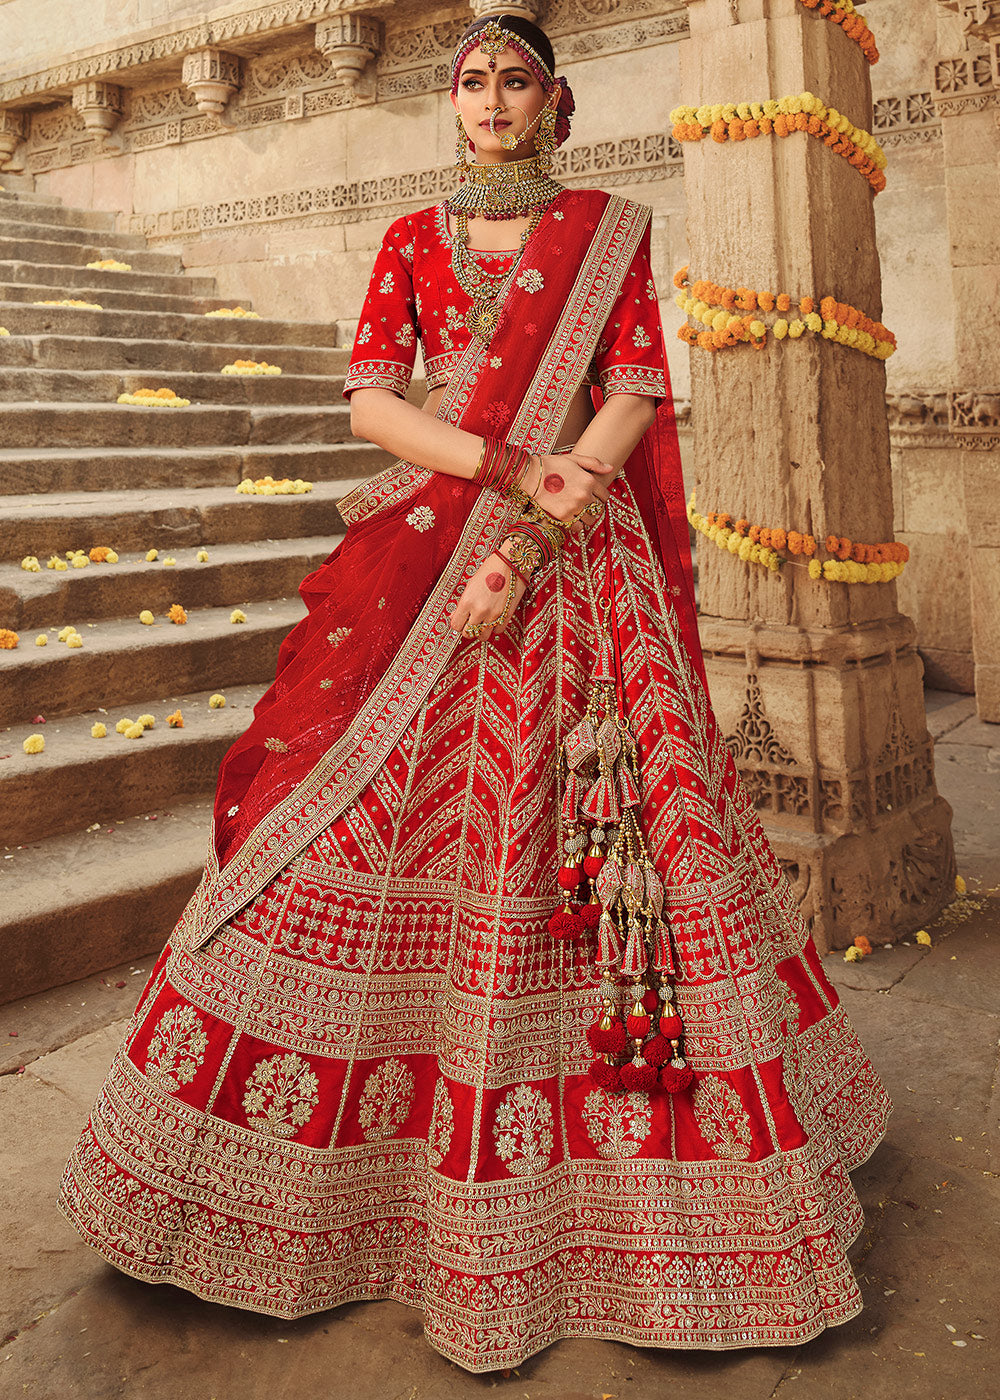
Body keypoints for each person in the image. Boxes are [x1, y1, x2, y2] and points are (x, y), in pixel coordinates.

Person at [57, 12, 891, 1374]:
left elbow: (630, 389)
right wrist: (509, 476)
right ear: (453, 106)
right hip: (438, 550)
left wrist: (544, 526)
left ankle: (656, 1210)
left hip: (580, 567)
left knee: (626, 840)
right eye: (473, 82)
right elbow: (372, 405)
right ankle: (332, 1193)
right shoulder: (408, 241)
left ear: (555, 105)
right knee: (340, 811)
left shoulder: (610, 230)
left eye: (516, 81)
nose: (493, 101)